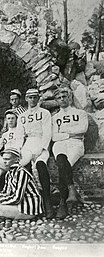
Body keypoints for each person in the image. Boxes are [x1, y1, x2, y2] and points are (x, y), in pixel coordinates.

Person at [52, 87, 88, 219]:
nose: (62, 99)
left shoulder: (80, 113)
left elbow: (83, 129)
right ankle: (71, 190)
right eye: (59, 98)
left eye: (64, 96)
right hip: (60, 143)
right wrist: (71, 132)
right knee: (61, 159)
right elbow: (54, 137)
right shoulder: (55, 117)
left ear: (69, 97)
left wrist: (64, 132)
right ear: (56, 100)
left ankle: (62, 203)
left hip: (76, 143)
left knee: (65, 164)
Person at [17, 88, 54, 218]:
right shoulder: (22, 116)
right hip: (28, 143)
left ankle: (47, 201)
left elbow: (47, 132)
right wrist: (19, 150)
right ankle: (32, 202)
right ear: (26, 99)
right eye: (30, 97)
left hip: (41, 142)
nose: (32, 100)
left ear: (38, 98)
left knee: (40, 164)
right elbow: (19, 135)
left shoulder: (45, 113)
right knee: (24, 165)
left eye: (34, 97)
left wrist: (41, 148)